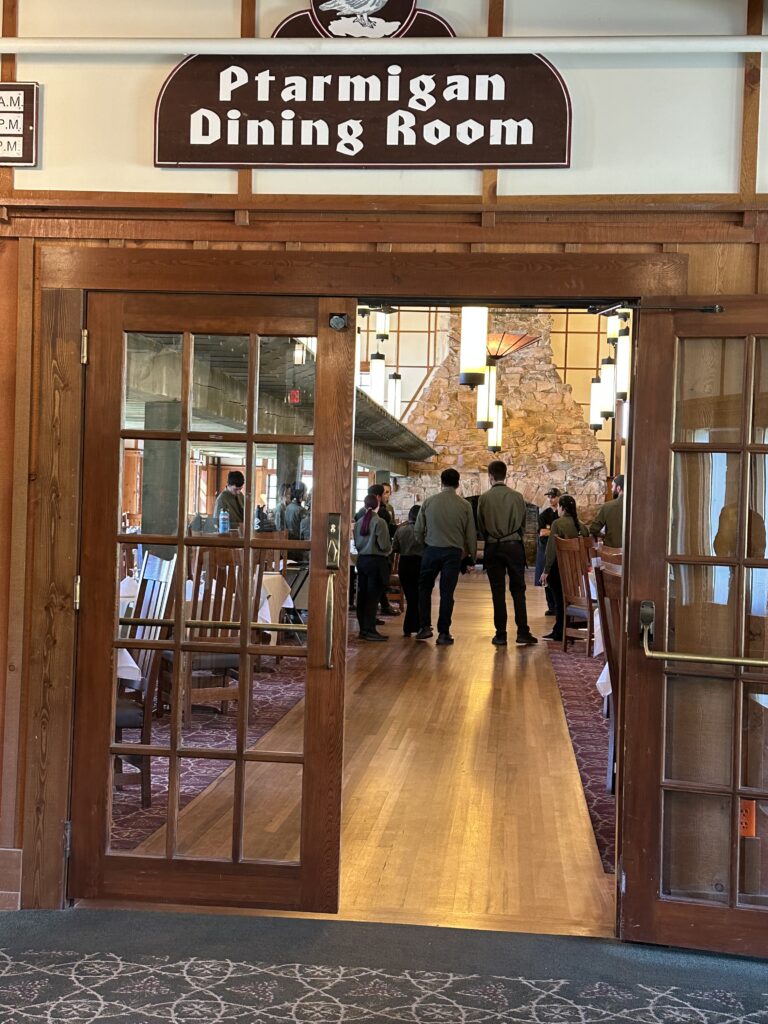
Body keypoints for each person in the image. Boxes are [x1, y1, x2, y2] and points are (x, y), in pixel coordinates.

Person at [477, 461, 538, 648]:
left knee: (497, 591)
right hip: (513, 547)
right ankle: (522, 632)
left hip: (493, 547)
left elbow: (480, 525)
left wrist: (491, 536)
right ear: (506, 475)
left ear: (490, 476)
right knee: (519, 591)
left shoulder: (484, 498)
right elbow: (523, 523)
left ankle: (501, 634)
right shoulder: (517, 496)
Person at [414, 467, 477, 646]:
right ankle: (443, 633)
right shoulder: (464, 505)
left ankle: (424, 627)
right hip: (452, 553)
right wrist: (471, 556)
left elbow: (418, 530)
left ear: (441, 482)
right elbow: (471, 533)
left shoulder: (428, 502)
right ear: (458, 484)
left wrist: (424, 545)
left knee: (424, 589)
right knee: (447, 593)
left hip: (431, 549)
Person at [540, 494, 589, 643]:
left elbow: (551, 550)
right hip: (577, 572)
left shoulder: (557, 524)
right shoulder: (583, 527)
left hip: (559, 570)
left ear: (562, 508)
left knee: (559, 599)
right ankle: (565, 628)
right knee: (565, 599)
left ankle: (560, 630)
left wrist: (546, 571)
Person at [353, 494, 392, 642]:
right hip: (376, 562)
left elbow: (356, 544)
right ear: (378, 505)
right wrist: (388, 551)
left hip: (362, 561)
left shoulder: (358, 522)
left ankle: (363, 629)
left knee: (362, 596)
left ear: (364, 506)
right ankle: (370, 629)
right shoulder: (379, 522)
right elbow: (384, 545)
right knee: (373, 598)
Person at [392, 504, 424, 637]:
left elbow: (395, 548)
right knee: (416, 596)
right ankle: (414, 626)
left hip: (404, 564)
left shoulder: (401, 530)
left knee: (411, 596)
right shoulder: (424, 531)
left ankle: (410, 626)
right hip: (419, 563)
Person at [535, 487, 561, 617]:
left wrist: (549, 532)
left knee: (557, 580)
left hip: (559, 551)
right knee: (546, 579)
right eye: (549, 497)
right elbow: (541, 532)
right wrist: (556, 532)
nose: (551, 499)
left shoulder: (561, 514)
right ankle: (551, 607)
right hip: (546, 550)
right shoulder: (544, 515)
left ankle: (559, 606)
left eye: (553, 496)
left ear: (558, 497)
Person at [589, 474, 625, 549]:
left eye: (612, 486)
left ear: (618, 488)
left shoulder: (608, 506)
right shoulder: (638, 508)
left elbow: (593, 529)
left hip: (610, 555)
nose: (611, 489)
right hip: (632, 556)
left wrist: (604, 536)